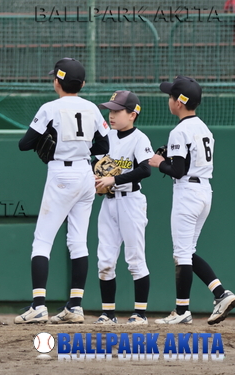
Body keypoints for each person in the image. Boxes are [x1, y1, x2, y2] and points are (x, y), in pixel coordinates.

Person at [14, 57, 109, 325]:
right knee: (78, 241)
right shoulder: (92, 108)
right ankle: (75, 306)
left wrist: (52, 143)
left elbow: (24, 144)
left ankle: (38, 306)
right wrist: (82, 148)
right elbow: (104, 146)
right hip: (85, 173)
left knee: (42, 240)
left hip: (61, 173)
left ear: (57, 81)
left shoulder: (50, 108)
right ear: (83, 84)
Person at [149, 76, 235, 325]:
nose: (169, 99)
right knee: (187, 251)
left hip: (187, 192)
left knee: (182, 253)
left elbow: (178, 171)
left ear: (179, 102)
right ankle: (221, 294)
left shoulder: (179, 130)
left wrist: (159, 163)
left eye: (171, 96)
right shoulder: (203, 128)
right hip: (204, 191)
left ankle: (181, 311)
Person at [92, 91, 152, 325]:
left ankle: (140, 314)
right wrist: (95, 178)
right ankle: (108, 313)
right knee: (105, 261)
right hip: (109, 203)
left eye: (117, 111)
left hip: (131, 202)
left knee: (135, 259)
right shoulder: (108, 136)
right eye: (110, 110)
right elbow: (95, 161)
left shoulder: (139, 138)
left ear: (132, 114)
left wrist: (114, 180)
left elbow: (145, 170)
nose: (112, 115)